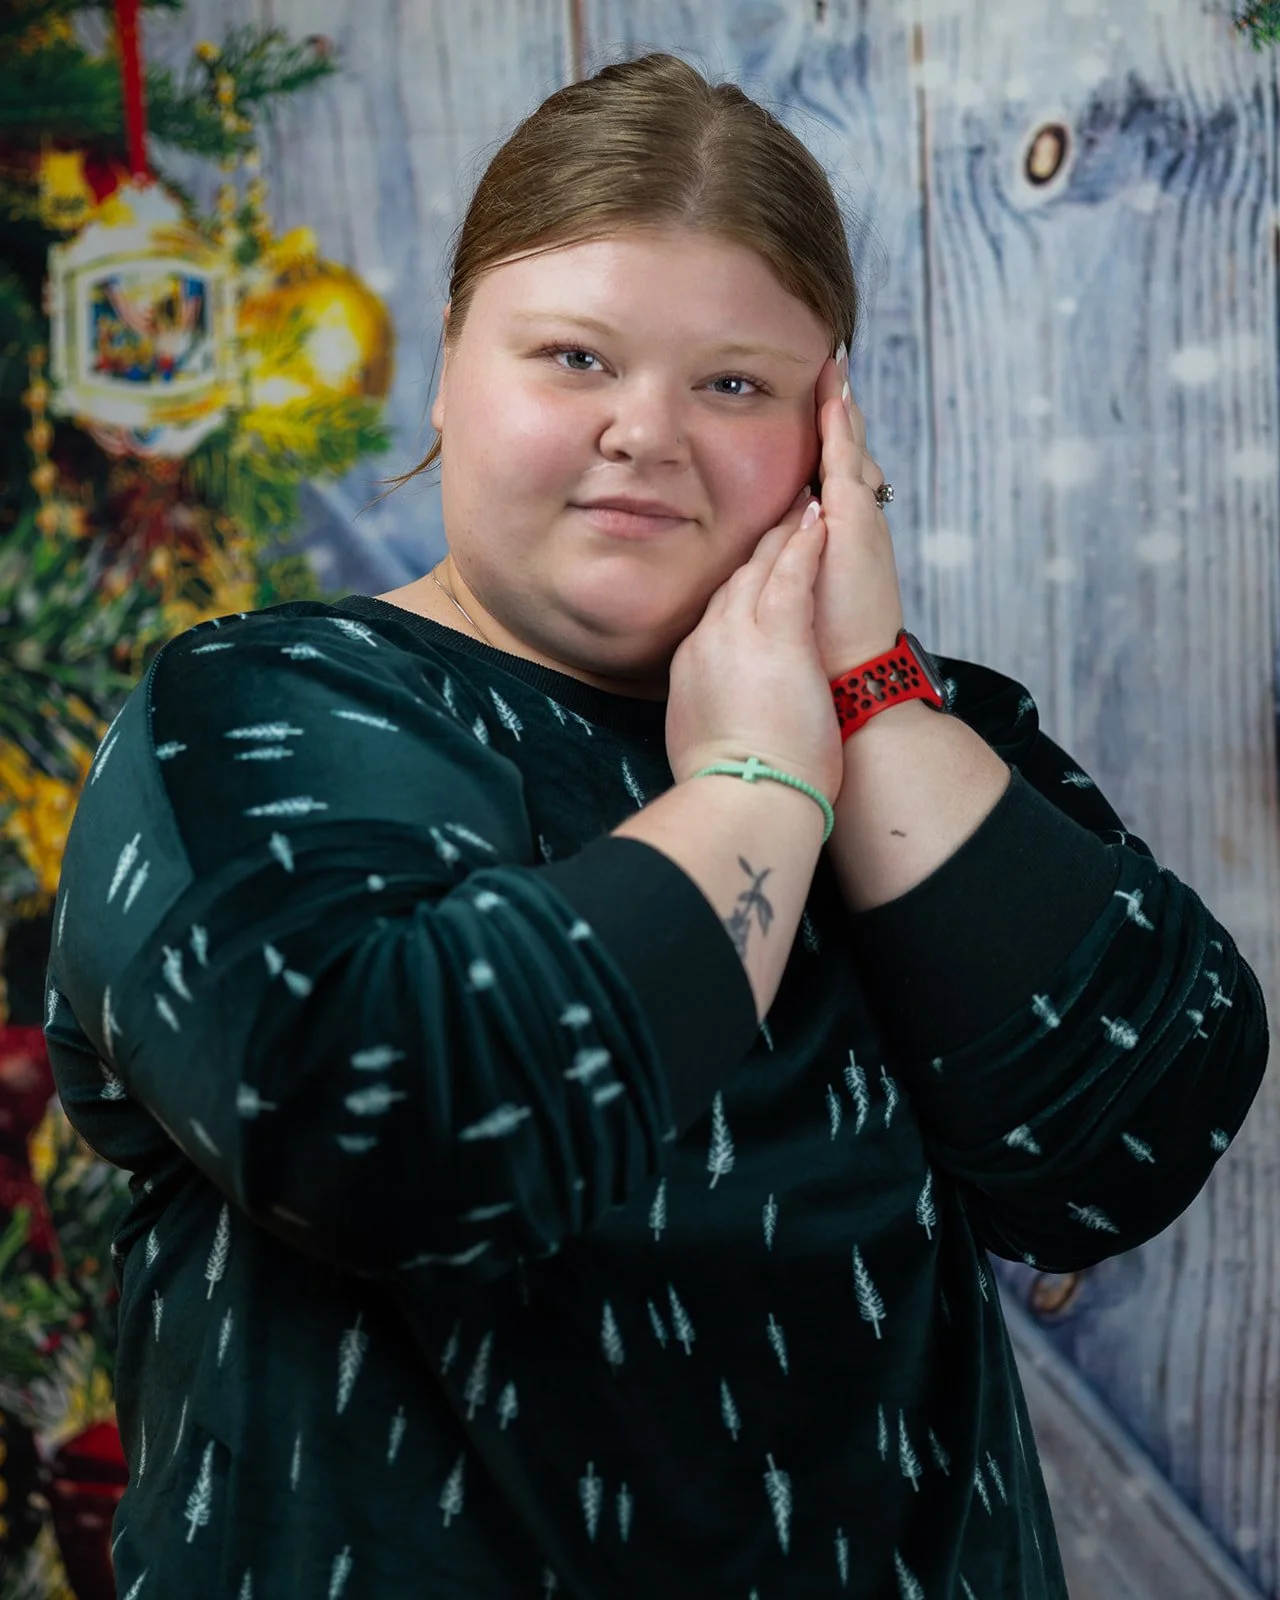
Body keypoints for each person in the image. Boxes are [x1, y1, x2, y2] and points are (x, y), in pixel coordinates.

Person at [43, 50, 1267, 1600]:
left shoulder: (926, 733)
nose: (648, 431)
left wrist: (870, 697)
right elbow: (388, 1117)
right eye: (572, 357)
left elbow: (1129, 1133)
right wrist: (758, 786)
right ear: (446, 368)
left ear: (837, 437)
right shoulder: (253, 714)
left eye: (737, 383)